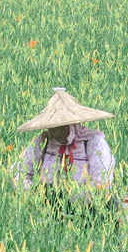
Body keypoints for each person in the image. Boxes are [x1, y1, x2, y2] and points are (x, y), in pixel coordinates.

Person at [11, 87, 117, 226]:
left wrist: (75, 198)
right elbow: (19, 171)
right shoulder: (43, 141)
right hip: (49, 208)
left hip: (89, 211)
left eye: (61, 126)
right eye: (52, 127)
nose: (56, 132)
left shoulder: (93, 141)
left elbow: (102, 183)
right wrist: (34, 192)